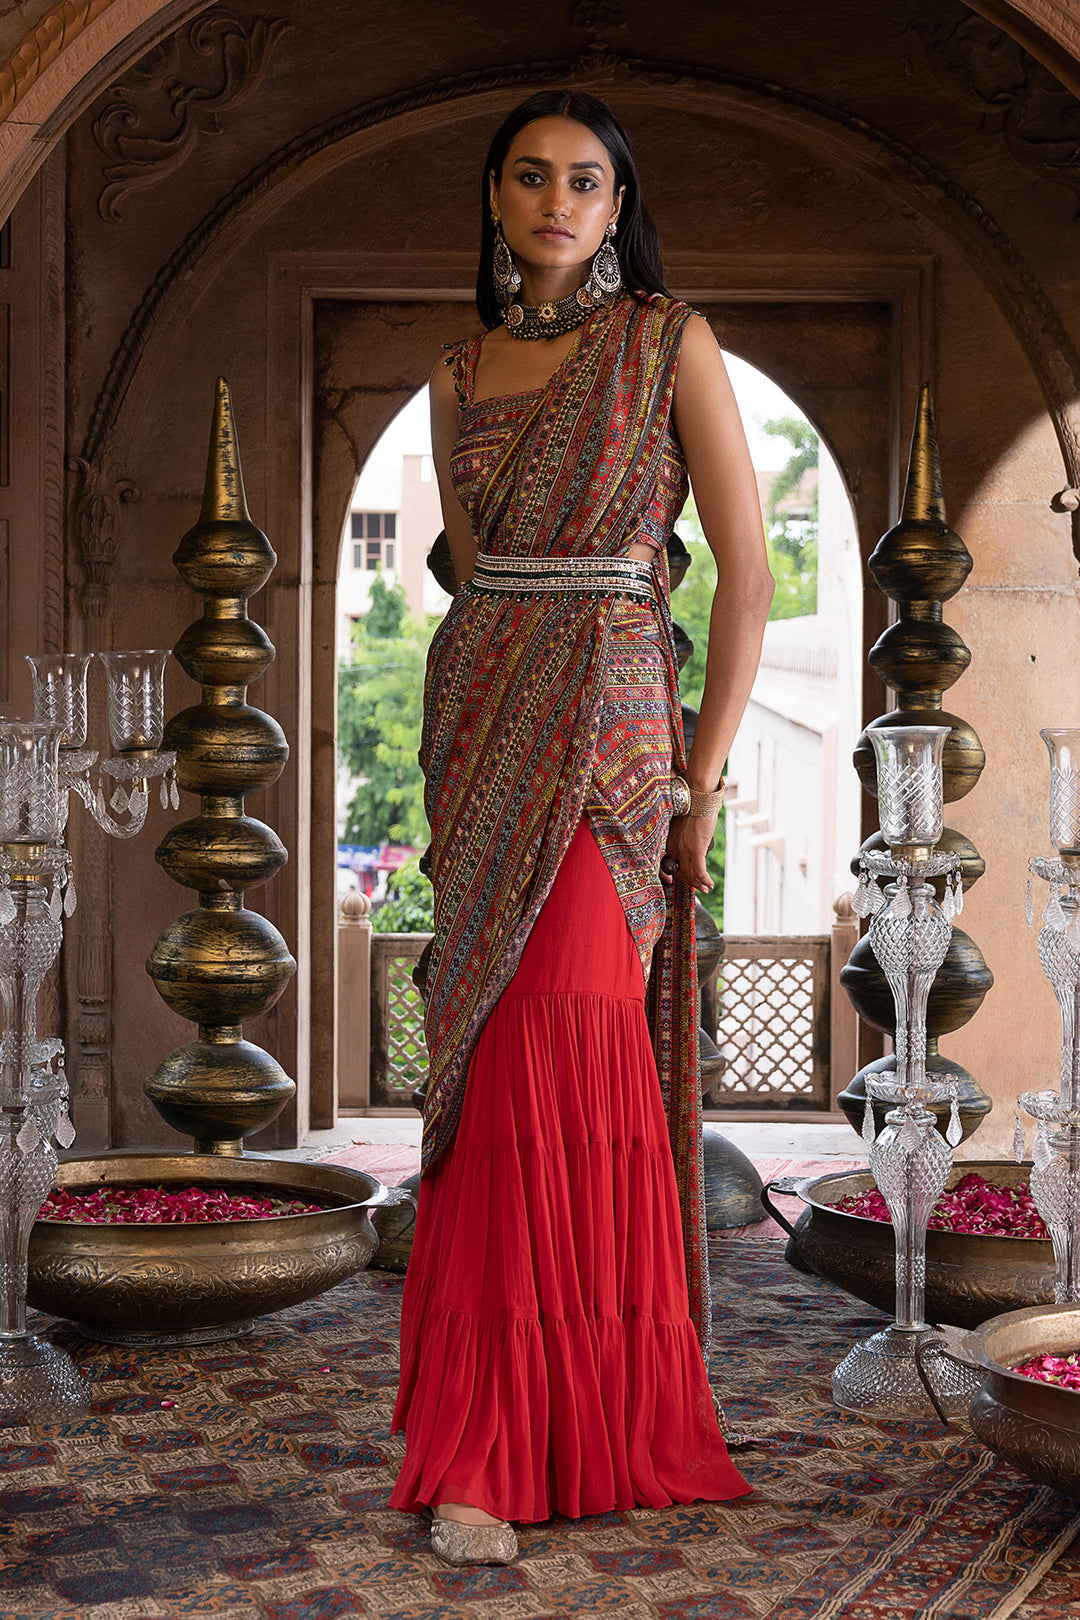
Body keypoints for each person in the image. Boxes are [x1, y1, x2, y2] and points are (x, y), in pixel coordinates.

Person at [389, 89, 775, 1566]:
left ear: (620, 207)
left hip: (615, 732)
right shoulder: (453, 370)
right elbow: (478, 576)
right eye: (534, 178)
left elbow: (742, 575)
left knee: (571, 1038)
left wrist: (701, 773)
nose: (560, 201)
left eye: (590, 183)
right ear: (495, 198)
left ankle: (586, 1425)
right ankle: (489, 1442)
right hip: (482, 716)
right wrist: (480, 719)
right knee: (490, 1067)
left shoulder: (668, 341)